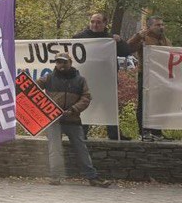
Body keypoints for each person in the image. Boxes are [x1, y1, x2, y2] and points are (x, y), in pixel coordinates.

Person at [40, 54, 111, 187]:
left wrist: (73, 109)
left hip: (73, 119)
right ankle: (55, 177)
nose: (61, 65)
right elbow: (31, 87)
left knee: (81, 149)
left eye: (64, 62)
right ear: (56, 64)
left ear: (70, 63)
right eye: (59, 62)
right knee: (54, 149)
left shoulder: (80, 80)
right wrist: (22, 79)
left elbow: (86, 98)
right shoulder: (48, 78)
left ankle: (92, 177)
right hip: (54, 121)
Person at [72, 12, 133, 139]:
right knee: (85, 107)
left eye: (99, 22)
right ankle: (81, 133)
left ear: (105, 24)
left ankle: (114, 134)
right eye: (93, 21)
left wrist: (120, 41)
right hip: (87, 81)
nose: (95, 24)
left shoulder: (110, 39)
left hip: (107, 81)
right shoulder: (79, 37)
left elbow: (126, 52)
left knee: (110, 107)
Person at [127, 16, 170, 141]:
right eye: (157, 25)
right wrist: (138, 36)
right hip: (145, 75)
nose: (161, 27)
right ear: (149, 26)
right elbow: (128, 48)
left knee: (159, 104)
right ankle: (144, 131)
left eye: (162, 24)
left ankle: (157, 132)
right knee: (144, 104)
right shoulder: (143, 38)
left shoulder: (166, 40)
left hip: (160, 76)